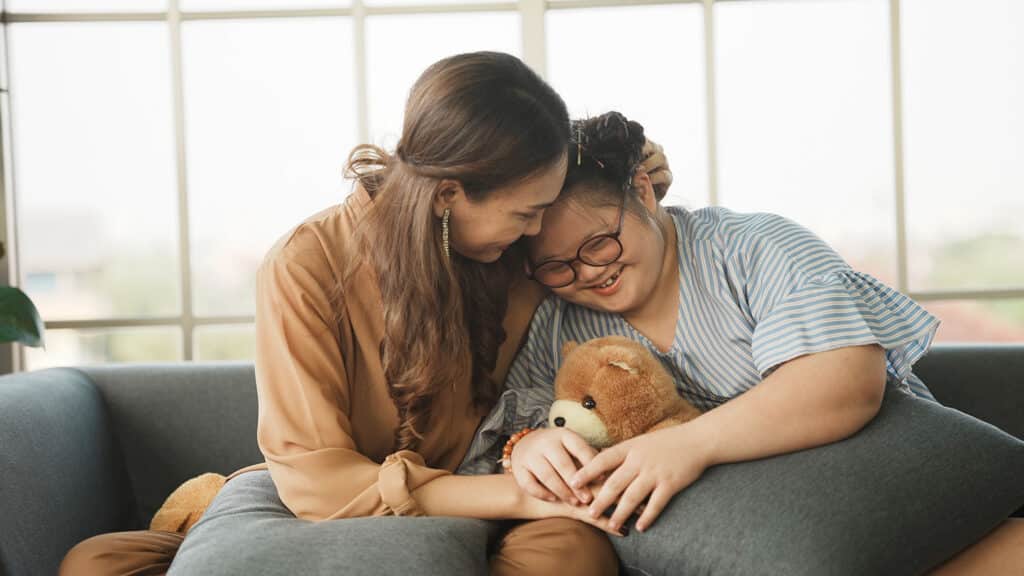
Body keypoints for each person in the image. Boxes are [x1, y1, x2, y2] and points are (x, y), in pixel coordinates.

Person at [58, 53, 674, 576]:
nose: (537, 233)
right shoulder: (305, 266)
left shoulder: (514, 254)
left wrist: (633, 177)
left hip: (486, 492)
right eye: (524, 214)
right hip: (343, 506)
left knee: (569, 553)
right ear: (449, 193)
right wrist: (522, 497)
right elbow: (319, 482)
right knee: (97, 562)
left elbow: (603, 251)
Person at [458, 110, 1024, 574]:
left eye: (599, 245)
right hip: (744, 544)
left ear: (641, 191)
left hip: (879, 492)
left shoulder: (752, 248)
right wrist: (529, 446)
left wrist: (687, 446)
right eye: (555, 266)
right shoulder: (559, 319)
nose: (587, 274)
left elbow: (844, 382)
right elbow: (520, 422)